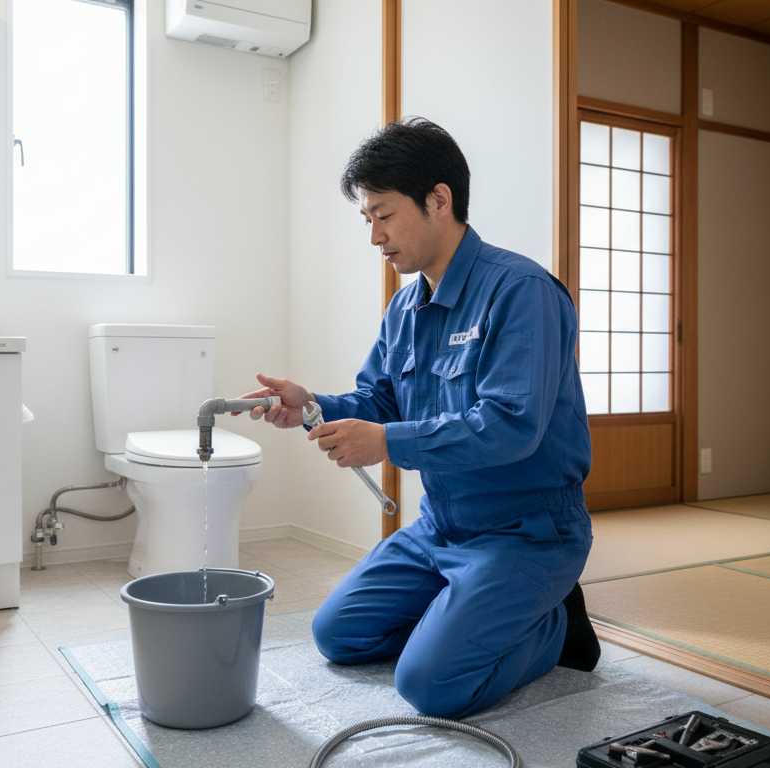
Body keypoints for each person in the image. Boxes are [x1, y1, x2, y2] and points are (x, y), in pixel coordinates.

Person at [240, 117, 598, 719]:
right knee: (337, 636)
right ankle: (463, 618)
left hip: (527, 533)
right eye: (367, 220)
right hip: (441, 527)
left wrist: (386, 441)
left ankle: (556, 626)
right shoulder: (406, 305)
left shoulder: (521, 292)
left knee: (432, 686)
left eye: (384, 215)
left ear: (439, 200)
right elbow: (379, 401)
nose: (375, 237)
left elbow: (512, 425)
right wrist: (312, 408)